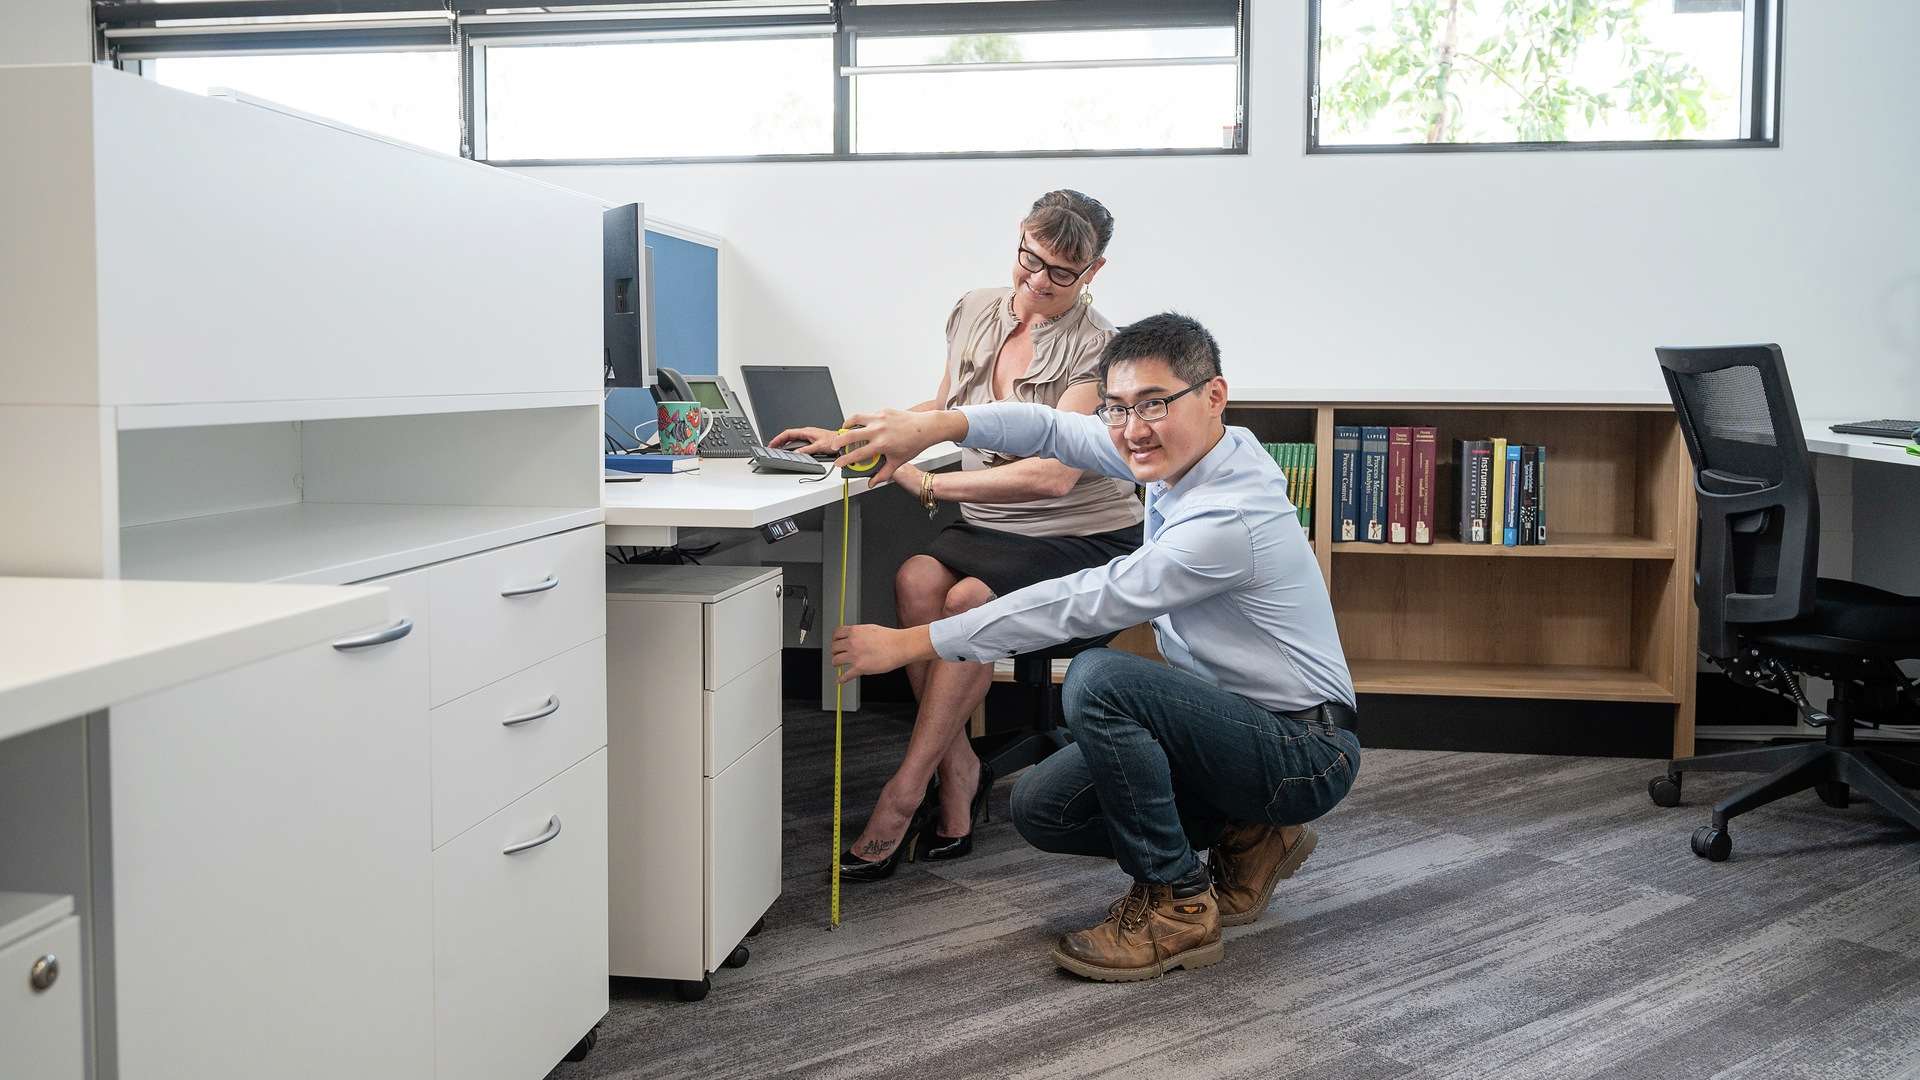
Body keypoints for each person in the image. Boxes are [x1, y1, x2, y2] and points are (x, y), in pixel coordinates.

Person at [822, 313, 1360, 982]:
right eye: (1118, 407)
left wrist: (913, 641)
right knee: (1042, 808)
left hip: (1303, 752)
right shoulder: (1188, 449)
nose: (1132, 428)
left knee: (1100, 678)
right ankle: (1250, 832)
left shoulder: (1228, 515)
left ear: (1213, 396)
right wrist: (936, 426)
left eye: (1155, 404)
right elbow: (1049, 428)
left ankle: (1177, 904)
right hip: (1227, 729)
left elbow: (1084, 599)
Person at [771, 191, 1144, 880]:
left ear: (1093, 272)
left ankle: (906, 790)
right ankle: (961, 766)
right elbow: (944, 410)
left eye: (1060, 273)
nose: (1035, 282)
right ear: (1019, 239)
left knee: (967, 600)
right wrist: (853, 437)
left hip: (1079, 531)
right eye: (1029, 259)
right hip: (995, 524)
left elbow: (1053, 477)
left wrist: (932, 485)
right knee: (916, 578)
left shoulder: (1103, 351)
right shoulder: (975, 309)